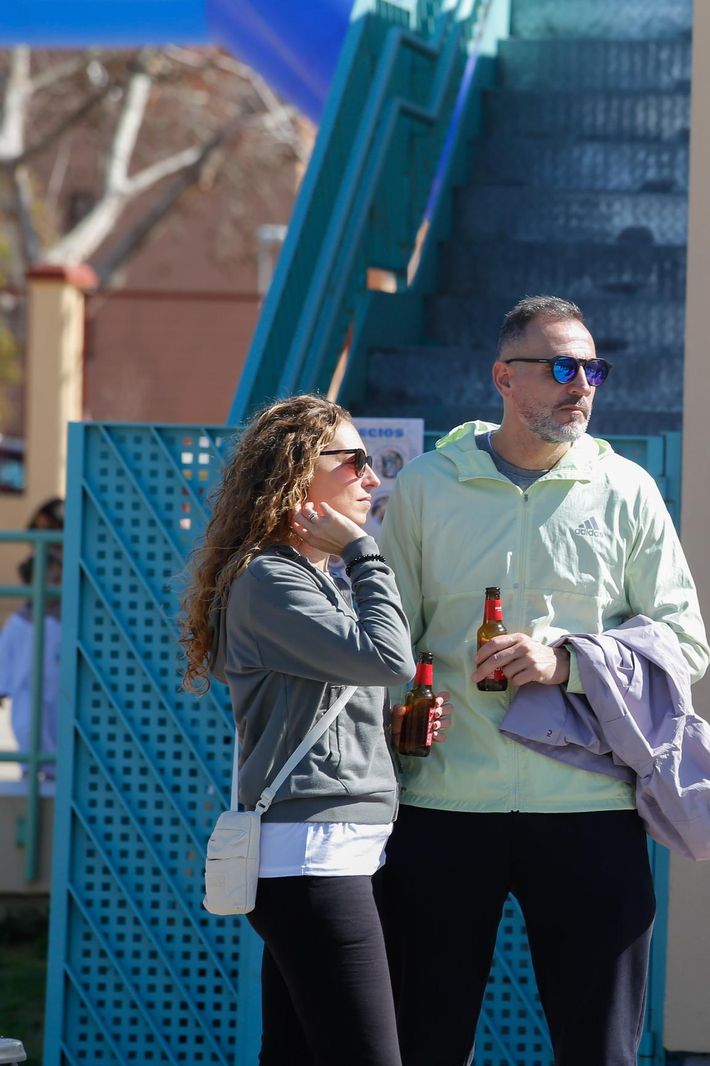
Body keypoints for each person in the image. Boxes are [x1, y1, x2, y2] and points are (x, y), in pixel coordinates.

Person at [377, 295, 709, 1066]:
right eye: (561, 367)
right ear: (504, 377)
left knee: (601, 1053)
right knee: (424, 1043)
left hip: (589, 807)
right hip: (445, 805)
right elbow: (387, 643)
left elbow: (685, 644)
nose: (582, 385)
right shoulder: (427, 486)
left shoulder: (626, 490)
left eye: (593, 368)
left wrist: (570, 663)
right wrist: (402, 718)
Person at [179, 395, 437, 1065]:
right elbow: (389, 658)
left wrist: (393, 734)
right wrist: (363, 553)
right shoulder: (268, 579)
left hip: (337, 854)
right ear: (297, 473)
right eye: (354, 462)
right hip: (317, 860)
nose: (372, 479)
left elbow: (335, 702)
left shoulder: (304, 578)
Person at [0, 497, 65, 780]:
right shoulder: (22, 621)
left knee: (57, 731)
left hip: (59, 692)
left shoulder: (69, 616)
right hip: (30, 694)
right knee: (29, 727)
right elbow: (7, 654)